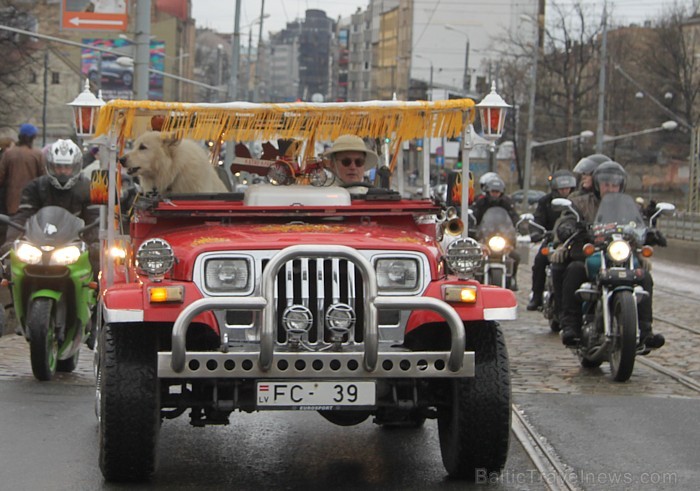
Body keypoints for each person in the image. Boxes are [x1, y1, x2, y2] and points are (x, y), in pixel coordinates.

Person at [554, 161, 665, 348]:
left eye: (615, 184)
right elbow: (567, 219)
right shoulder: (580, 203)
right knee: (574, 269)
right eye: (606, 184)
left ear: (621, 185)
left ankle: (645, 332)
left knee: (644, 277)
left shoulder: (629, 206)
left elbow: (639, 225)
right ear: (597, 184)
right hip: (590, 254)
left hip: (620, 256)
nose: (610, 188)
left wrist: (650, 233)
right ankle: (570, 327)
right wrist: (570, 227)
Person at [5, 139, 99, 272]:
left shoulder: (89, 187)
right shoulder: (35, 187)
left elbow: (95, 218)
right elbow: (23, 215)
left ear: (76, 166)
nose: (62, 171)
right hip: (38, 246)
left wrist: (96, 244)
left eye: (67, 167)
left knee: (97, 271)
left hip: (75, 247)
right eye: (58, 166)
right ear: (49, 166)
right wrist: (11, 240)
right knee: (12, 271)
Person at [526, 169, 577, 311]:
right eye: (562, 189)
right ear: (555, 189)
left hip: (573, 240)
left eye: (568, 188)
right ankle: (537, 295)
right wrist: (537, 231)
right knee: (540, 260)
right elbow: (538, 218)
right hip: (550, 238)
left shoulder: (577, 200)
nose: (565, 191)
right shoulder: (545, 201)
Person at [471, 174, 521, 290]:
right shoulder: (480, 202)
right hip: (485, 236)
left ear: (501, 192)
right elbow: (474, 216)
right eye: (493, 191)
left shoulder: (507, 202)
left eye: (497, 192)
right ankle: (474, 278)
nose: (495, 194)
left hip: (503, 236)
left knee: (516, 256)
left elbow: (514, 216)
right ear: (488, 191)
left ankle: (512, 277)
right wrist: (471, 226)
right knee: (474, 257)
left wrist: (519, 225)